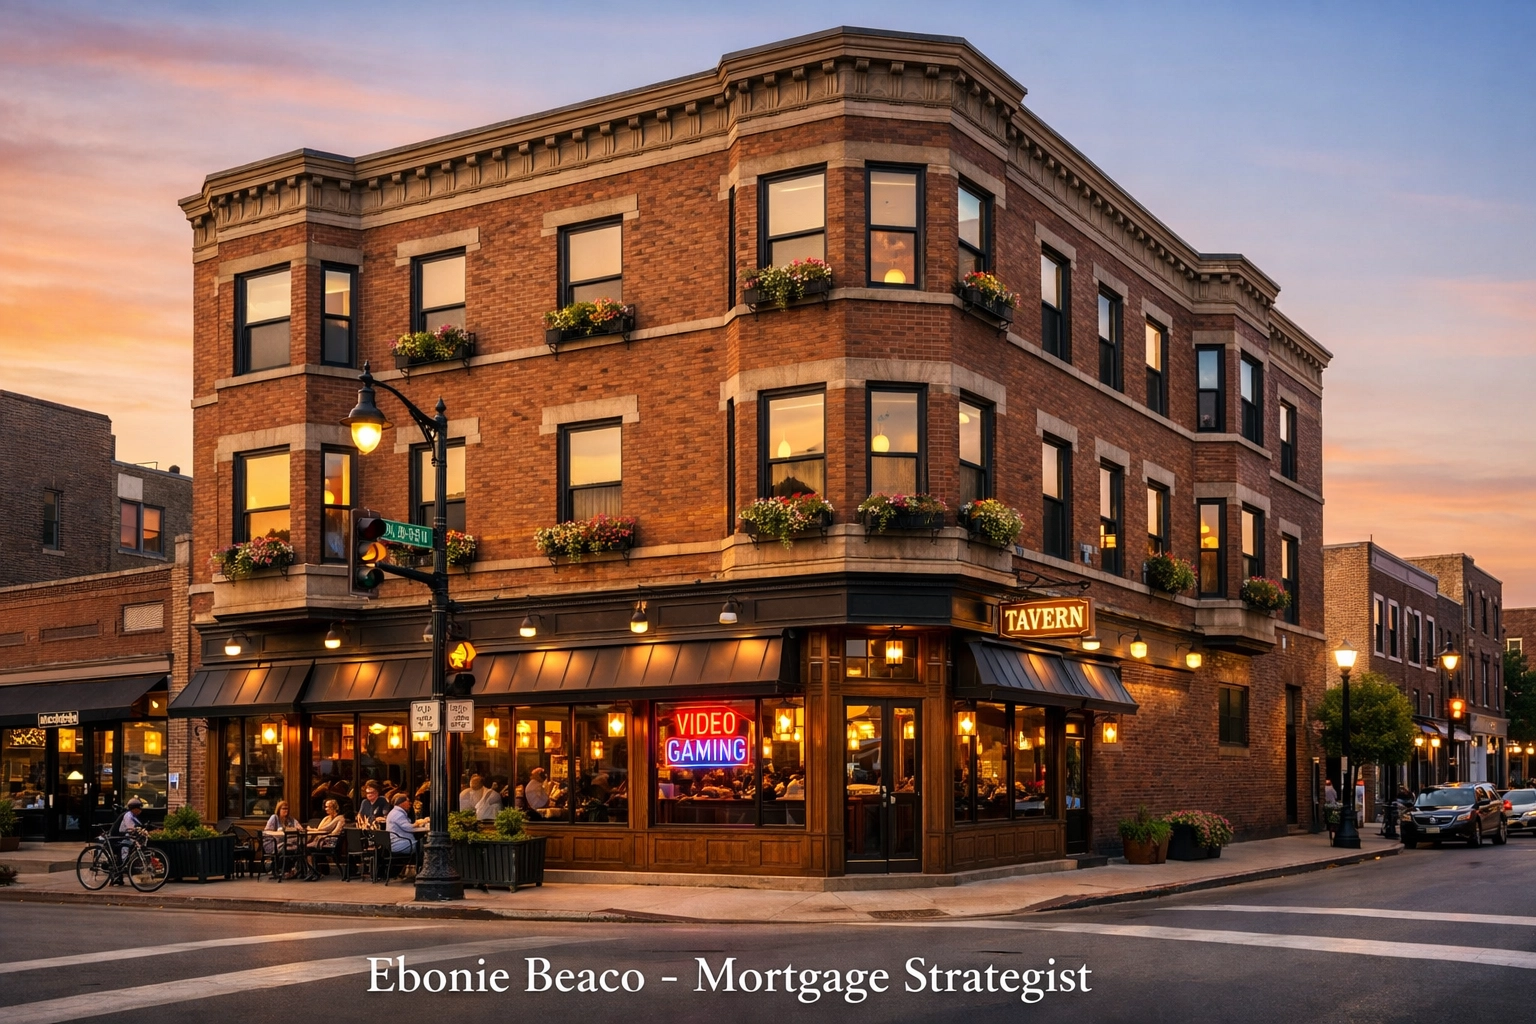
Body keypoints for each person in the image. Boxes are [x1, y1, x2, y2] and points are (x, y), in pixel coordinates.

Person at [383, 793, 416, 869]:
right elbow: (408, 828)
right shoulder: (398, 814)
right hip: (402, 845)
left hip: (397, 844)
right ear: (402, 803)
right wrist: (421, 824)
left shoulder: (395, 812)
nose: (410, 803)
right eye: (408, 801)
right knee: (425, 847)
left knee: (422, 845)